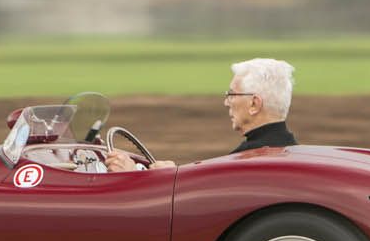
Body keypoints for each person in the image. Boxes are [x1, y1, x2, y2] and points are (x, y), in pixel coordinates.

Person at [104, 56, 297, 171]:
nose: (226, 102)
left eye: (231, 94)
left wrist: (133, 172)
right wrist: (171, 174)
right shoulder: (289, 151)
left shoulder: (251, 160)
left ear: (254, 104)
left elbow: (202, 199)